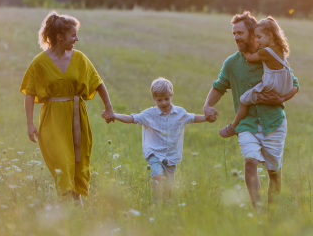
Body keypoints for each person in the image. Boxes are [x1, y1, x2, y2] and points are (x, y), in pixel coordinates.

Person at [203, 11, 300, 208]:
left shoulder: (269, 56)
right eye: (234, 34)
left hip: (273, 122)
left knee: (274, 172)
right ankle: (257, 211)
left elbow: (295, 84)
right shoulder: (231, 63)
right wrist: (207, 106)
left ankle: (271, 216)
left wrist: (281, 98)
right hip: (246, 123)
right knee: (250, 161)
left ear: (252, 33)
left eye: (240, 33)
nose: (236, 37)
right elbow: (219, 86)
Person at [21, 11, 115, 204]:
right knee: (61, 161)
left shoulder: (80, 58)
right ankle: (65, 203)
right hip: (52, 119)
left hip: (76, 116)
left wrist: (109, 108)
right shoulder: (39, 62)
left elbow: (98, 83)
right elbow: (29, 93)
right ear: (59, 37)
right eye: (73, 35)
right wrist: (30, 124)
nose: (77, 39)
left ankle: (77, 202)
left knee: (78, 159)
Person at [111, 77, 210, 204]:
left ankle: (167, 206)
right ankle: (156, 204)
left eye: (166, 99)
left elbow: (193, 118)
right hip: (154, 153)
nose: (163, 103)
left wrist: (207, 118)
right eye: (159, 100)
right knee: (158, 177)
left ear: (171, 96)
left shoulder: (180, 113)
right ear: (154, 99)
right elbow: (131, 118)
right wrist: (114, 115)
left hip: (171, 156)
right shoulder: (149, 114)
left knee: (169, 188)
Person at [219, 17, 292, 138]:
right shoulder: (280, 49)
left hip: (270, 84)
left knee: (244, 99)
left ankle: (234, 126)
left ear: (269, 35)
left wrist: (242, 48)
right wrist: (282, 98)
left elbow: (250, 58)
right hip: (284, 86)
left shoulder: (266, 52)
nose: (257, 41)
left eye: (259, 37)